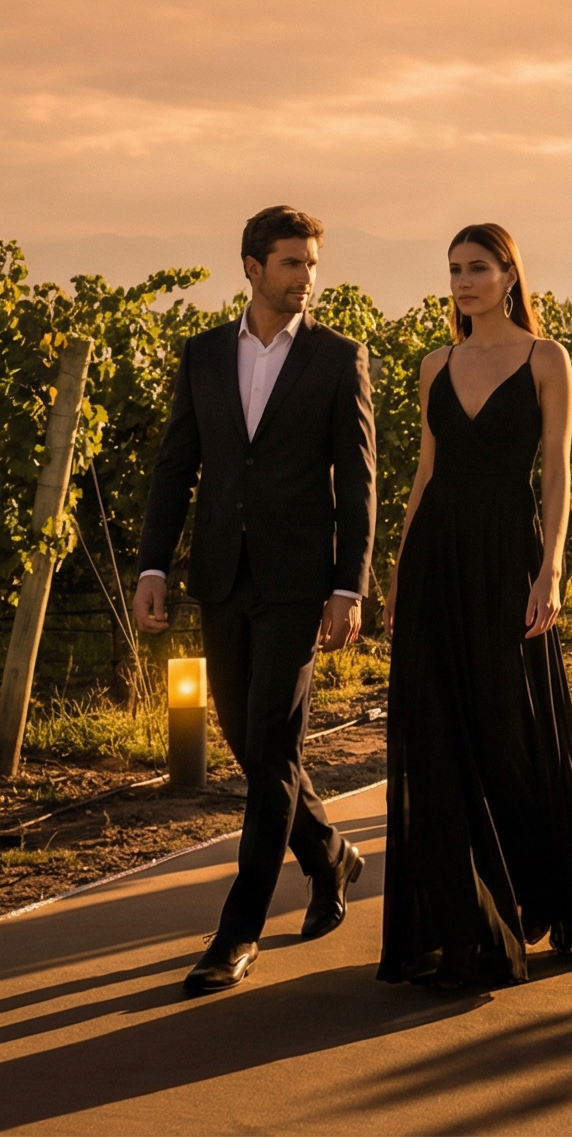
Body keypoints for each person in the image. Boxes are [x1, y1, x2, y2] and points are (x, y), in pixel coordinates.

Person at [380, 223, 572, 987]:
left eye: (479, 268)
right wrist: (399, 571)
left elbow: (556, 473)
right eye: (455, 269)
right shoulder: (435, 363)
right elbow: (426, 476)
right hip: (437, 556)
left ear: (508, 275)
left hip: (507, 557)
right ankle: (471, 920)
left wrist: (552, 569)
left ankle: (551, 898)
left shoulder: (544, 357)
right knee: (439, 736)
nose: (464, 282)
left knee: (513, 733)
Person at [135, 205, 376, 996]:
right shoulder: (203, 355)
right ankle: (331, 855)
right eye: (290, 264)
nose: (305, 279)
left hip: (300, 583)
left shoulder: (340, 358)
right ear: (251, 266)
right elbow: (176, 467)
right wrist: (152, 567)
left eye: (311, 264)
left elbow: (360, 483)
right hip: (220, 575)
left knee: (270, 740)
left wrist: (348, 585)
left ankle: (237, 932)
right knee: (248, 738)